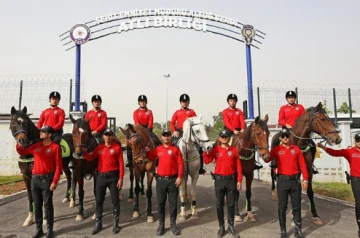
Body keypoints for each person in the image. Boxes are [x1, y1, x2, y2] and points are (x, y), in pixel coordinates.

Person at [16, 126, 62, 238]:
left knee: (47, 205)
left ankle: (50, 230)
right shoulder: (36, 146)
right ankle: (39, 229)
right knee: (37, 205)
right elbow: (22, 150)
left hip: (47, 180)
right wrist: (18, 140)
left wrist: (55, 181)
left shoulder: (55, 147)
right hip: (35, 180)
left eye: (43, 132)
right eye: (40, 131)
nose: (40, 133)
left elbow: (59, 166)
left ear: (49, 134)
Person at [263, 128, 308, 238]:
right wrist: (264, 153)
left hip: (295, 182)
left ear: (290, 137)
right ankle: (283, 231)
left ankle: (298, 231)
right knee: (282, 207)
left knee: (297, 206)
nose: (285, 138)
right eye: (283, 136)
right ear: (280, 138)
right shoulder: (277, 150)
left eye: (287, 136)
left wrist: (305, 179)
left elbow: (303, 165)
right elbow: (267, 159)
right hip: (282, 181)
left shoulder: (296, 150)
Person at [317, 133, 360, 238]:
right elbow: (334, 152)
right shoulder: (350, 151)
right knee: (359, 203)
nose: (359, 142)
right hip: (356, 180)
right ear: (355, 141)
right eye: (358, 140)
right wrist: (323, 147)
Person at [83, 128, 124, 235]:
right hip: (101, 177)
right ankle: (98, 223)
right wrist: (84, 152)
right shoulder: (99, 148)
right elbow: (91, 157)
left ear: (112, 136)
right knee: (99, 200)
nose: (108, 136)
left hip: (113, 177)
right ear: (103, 136)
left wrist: (120, 178)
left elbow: (121, 164)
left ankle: (115, 224)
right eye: (106, 134)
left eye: (110, 134)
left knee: (115, 201)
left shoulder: (117, 148)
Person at [202, 129, 242, 238]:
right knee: (219, 204)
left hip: (231, 180)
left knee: (231, 204)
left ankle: (231, 226)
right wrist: (205, 151)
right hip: (219, 180)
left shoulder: (233, 150)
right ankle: (221, 227)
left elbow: (238, 166)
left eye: (226, 136)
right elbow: (206, 161)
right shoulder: (216, 150)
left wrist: (239, 180)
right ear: (220, 138)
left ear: (229, 138)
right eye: (222, 136)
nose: (224, 138)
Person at [145, 129, 184, 236]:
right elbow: (151, 157)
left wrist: (179, 177)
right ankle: (161, 225)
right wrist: (148, 151)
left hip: (173, 180)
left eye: (168, 135)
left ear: (170, 137)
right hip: (161, 181)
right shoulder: (158, 149)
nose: (166, 137)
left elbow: (180, 163)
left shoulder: (175, 149)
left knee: (173, 204)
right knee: (160, 203)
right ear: (161, 137)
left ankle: (173, 225)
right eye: (164, 136)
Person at [222, 93, 263, 170]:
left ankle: (253, 161)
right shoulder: (225, 111)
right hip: (229, 131)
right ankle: (224, 160)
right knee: (225, 143)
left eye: (234, 101)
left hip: (240, 130)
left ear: (236, 102)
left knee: (250, 142)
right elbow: (226, 122)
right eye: (231, 101)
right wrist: (233, 130)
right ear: (228, 102)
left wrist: (243, 128)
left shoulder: (239, 111)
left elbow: (242, 120)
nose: (232, 102)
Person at [170, 93, 206, 175]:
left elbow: (196, 121)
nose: (184, 103)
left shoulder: (192, 111)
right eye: (183, 101)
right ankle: (172, 166)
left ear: (188, 102)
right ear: (180, 102)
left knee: (199, 147)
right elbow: (172, 123)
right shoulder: (177, 112)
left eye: (186, 101)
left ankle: (201, 167)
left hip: (190, 132)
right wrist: (174, 131)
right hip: (179, 132)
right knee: (172, 146)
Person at [126, 94, 161, 168]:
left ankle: (158, 159)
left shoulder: (149, 112)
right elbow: (136, 122)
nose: (142, 103)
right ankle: (129, 160)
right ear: (139, 103)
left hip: (148, 130)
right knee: (129, 143)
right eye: (141, 102)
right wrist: (140, 130)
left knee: (158, 142)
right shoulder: (136, 112)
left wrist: (149, 128)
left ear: (146, 102)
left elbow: (151, 121)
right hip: (139, 130)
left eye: (144, 101)